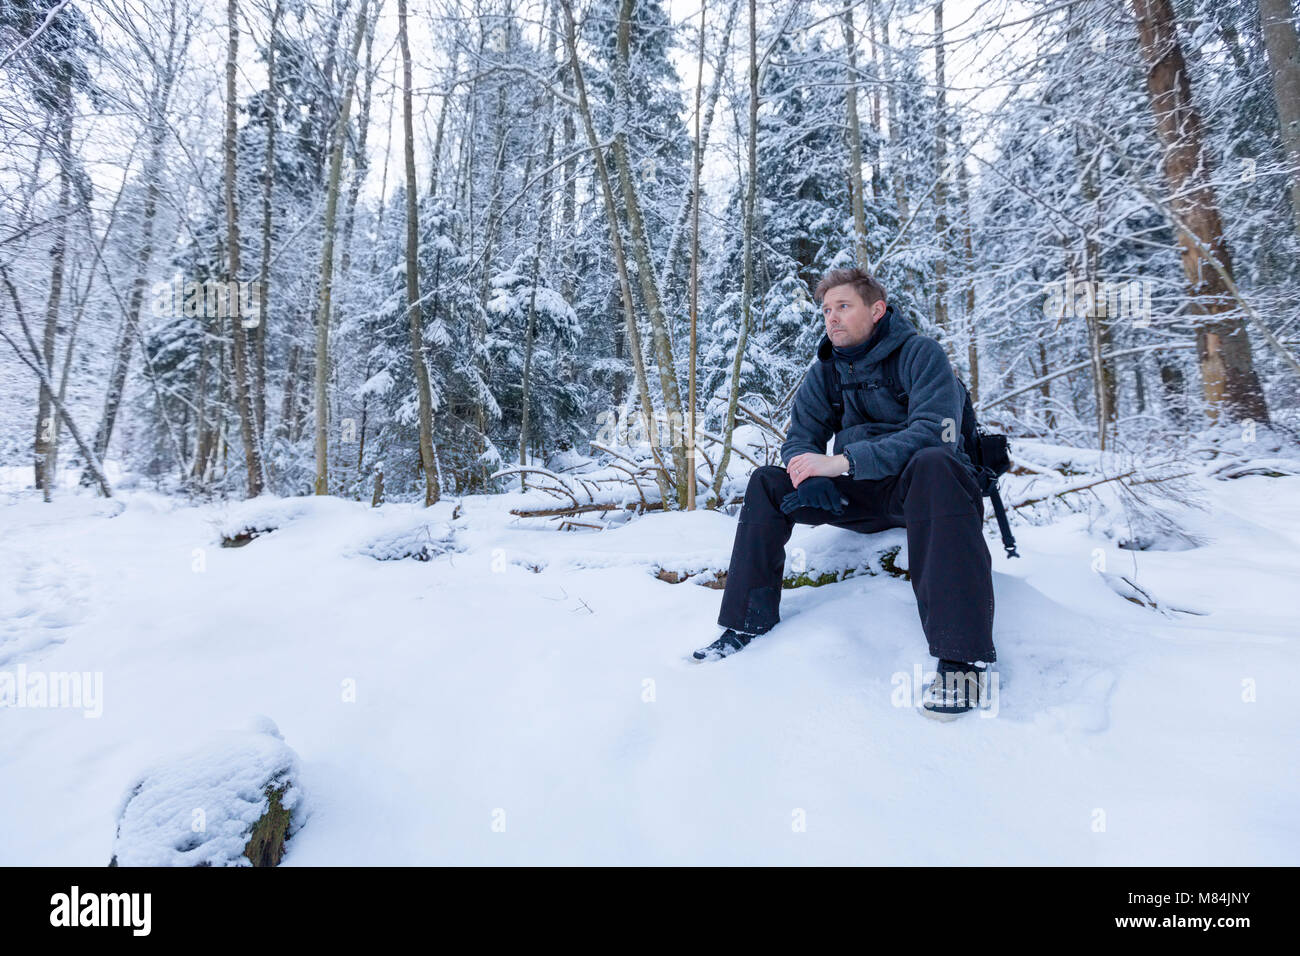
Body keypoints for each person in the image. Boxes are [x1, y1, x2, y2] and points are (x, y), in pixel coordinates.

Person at [692, 267, 996, 720]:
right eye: (826, 310)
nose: (831, 319)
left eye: (843, 307)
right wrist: (810, 476)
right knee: (767, 483)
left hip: (930, 494)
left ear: (877, 310)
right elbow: (801, 436)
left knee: (934, 463)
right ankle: (744, 624)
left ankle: (962, 661)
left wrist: (843, 463)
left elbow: (937, 434)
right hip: (855, 494)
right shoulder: (828, 370)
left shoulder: (920, 354)